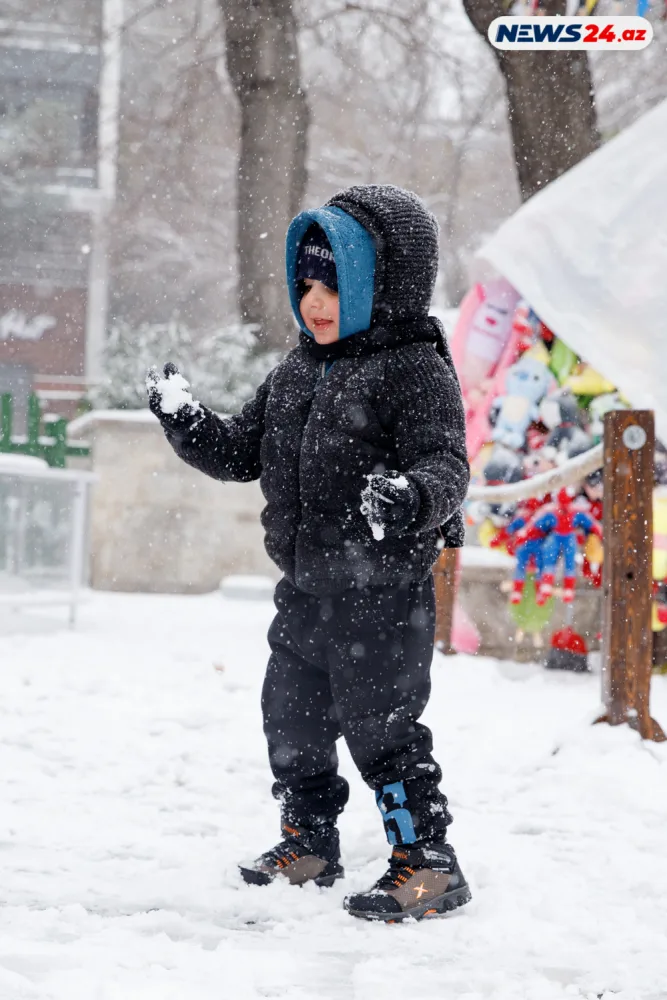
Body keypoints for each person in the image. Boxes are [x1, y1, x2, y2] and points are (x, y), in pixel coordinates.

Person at [146, 184, 471, 922]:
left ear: (380, 286)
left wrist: (409, 497)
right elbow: (238, 453)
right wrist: (185, 420)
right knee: (290, 721)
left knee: (382, 730)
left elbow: (446, 464)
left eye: (334, 283)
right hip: (304, 590)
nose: (315, 301)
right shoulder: (295, 371)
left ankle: (426, 863)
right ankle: (310, 840)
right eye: (305, 284)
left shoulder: (413, 368)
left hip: (382, 593)